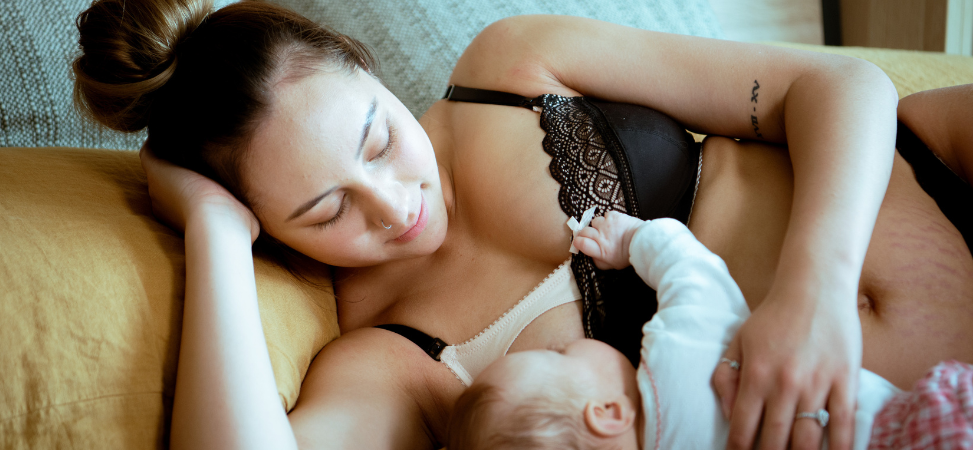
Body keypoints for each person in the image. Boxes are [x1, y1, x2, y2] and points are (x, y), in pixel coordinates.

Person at [71, 0, 973, 448]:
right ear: (271, 226)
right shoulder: (387, 357)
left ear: (367, 66)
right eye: (324, 209)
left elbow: (838, 86)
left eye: (378, 140)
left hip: (933, 170)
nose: (395, 207)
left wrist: (812, 293)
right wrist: (213, 234)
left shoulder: (511, 66)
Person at [447, 211, 902, 450]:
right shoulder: (676, 369)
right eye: (558, 354)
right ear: (607, 412)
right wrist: (634, 240)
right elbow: (696, 278)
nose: (568, 345)